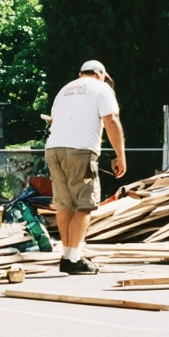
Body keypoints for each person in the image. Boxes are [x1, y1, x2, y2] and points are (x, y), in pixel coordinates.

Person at [44, 60, 127, 275]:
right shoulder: (102, 88)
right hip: (80, 150)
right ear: (101, 74)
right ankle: (74, 258)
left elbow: (55, 121)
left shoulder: (64, 90)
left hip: (53, 149)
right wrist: (120, 156)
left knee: (64, 205)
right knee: (84, 204)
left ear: (81, 73)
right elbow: (111, 121)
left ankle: (66, 255)